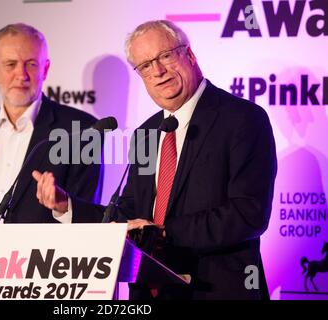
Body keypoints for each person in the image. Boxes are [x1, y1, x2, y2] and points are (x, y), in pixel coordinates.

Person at [33, 20, 277, 300]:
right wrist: (68, 206)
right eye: (146, 66)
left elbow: (248, 214)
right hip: (149, 293)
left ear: (190, 55)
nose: (158, 72)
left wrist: (161, 233)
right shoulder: (147, 133)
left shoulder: (242, 119)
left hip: (215, 290)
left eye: (165, 56)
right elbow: (129, 213)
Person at [0, 23, 103, 277]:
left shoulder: (80, 131)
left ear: (45, 69)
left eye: (31, 64)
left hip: (45, 282)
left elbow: (86, 216)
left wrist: (61, 204)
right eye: (10, 64)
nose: (21, 74)